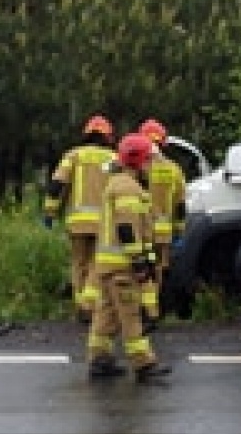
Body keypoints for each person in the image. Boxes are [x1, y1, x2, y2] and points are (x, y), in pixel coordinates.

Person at [86, 133, 169, 383]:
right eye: (148, 161)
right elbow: (128, 230)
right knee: (131, 314)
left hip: (109, 266)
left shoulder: (119, 183)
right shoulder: (128, 187)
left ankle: (100, 360)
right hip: (123, 267)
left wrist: (149, 258)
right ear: (138, 162)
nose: (151, 166)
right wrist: (141, 264)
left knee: (107, 313)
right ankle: (144, 365)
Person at [42, 115, 117, 322]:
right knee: (96, 263)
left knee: (78, 263)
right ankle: (88, 305)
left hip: (77, 222)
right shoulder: (114, 159)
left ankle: (81, 305)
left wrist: (49, 212)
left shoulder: (73, 156)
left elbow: (57, 185)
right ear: (107, 136)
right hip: (104, 222)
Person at [138, 118, 187, 311]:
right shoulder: (174, 169)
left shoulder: (137, 167)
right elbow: (181, 204)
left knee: (141, 268)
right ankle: (154, 308)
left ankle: (142, 308)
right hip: (164, 232)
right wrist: (180, 231)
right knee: (159, 269)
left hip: (142, 228)